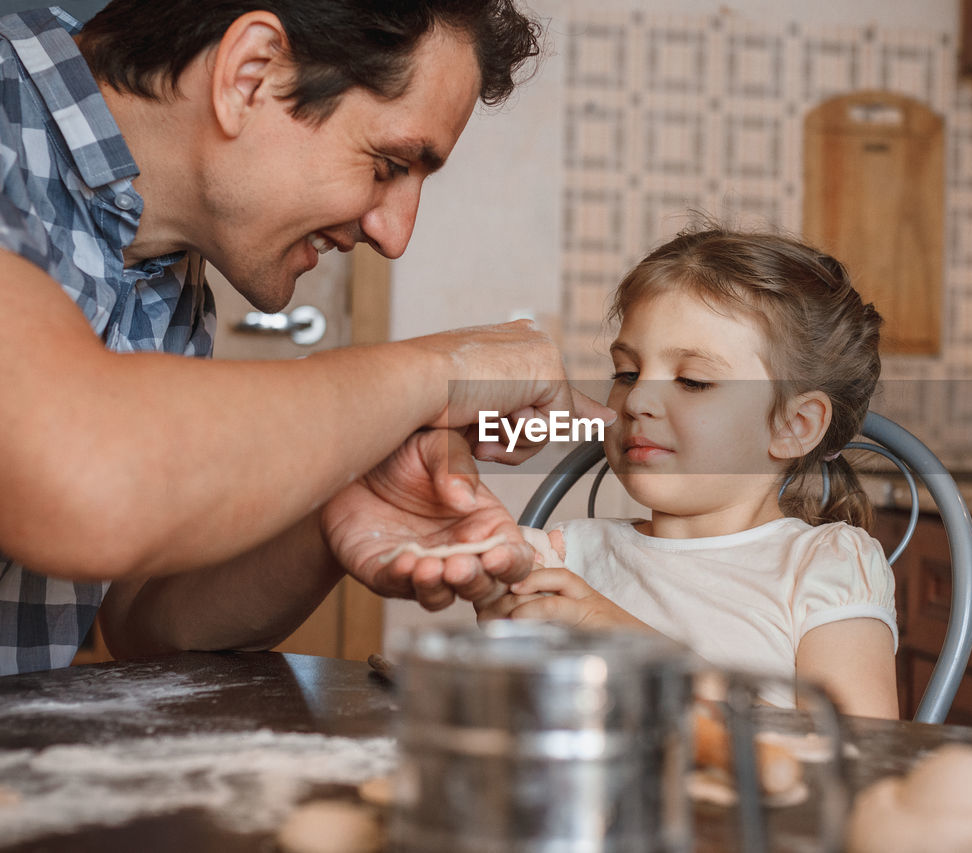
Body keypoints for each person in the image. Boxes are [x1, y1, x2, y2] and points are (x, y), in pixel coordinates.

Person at [0, 0, 611, 676]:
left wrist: (337, 505)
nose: (395, 235)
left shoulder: (167, 271)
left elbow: (145, 619)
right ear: (251, 74)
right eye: (388, 164)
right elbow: (77, 480)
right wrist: (437, 370)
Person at [478, 227, 899, 719]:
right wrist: (501, 628)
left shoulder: (824, 566)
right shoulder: (569, 555)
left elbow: (857, 755)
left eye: (693, 381)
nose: (637, 401)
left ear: (793, 426)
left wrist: (619, 634)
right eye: (627, 373)